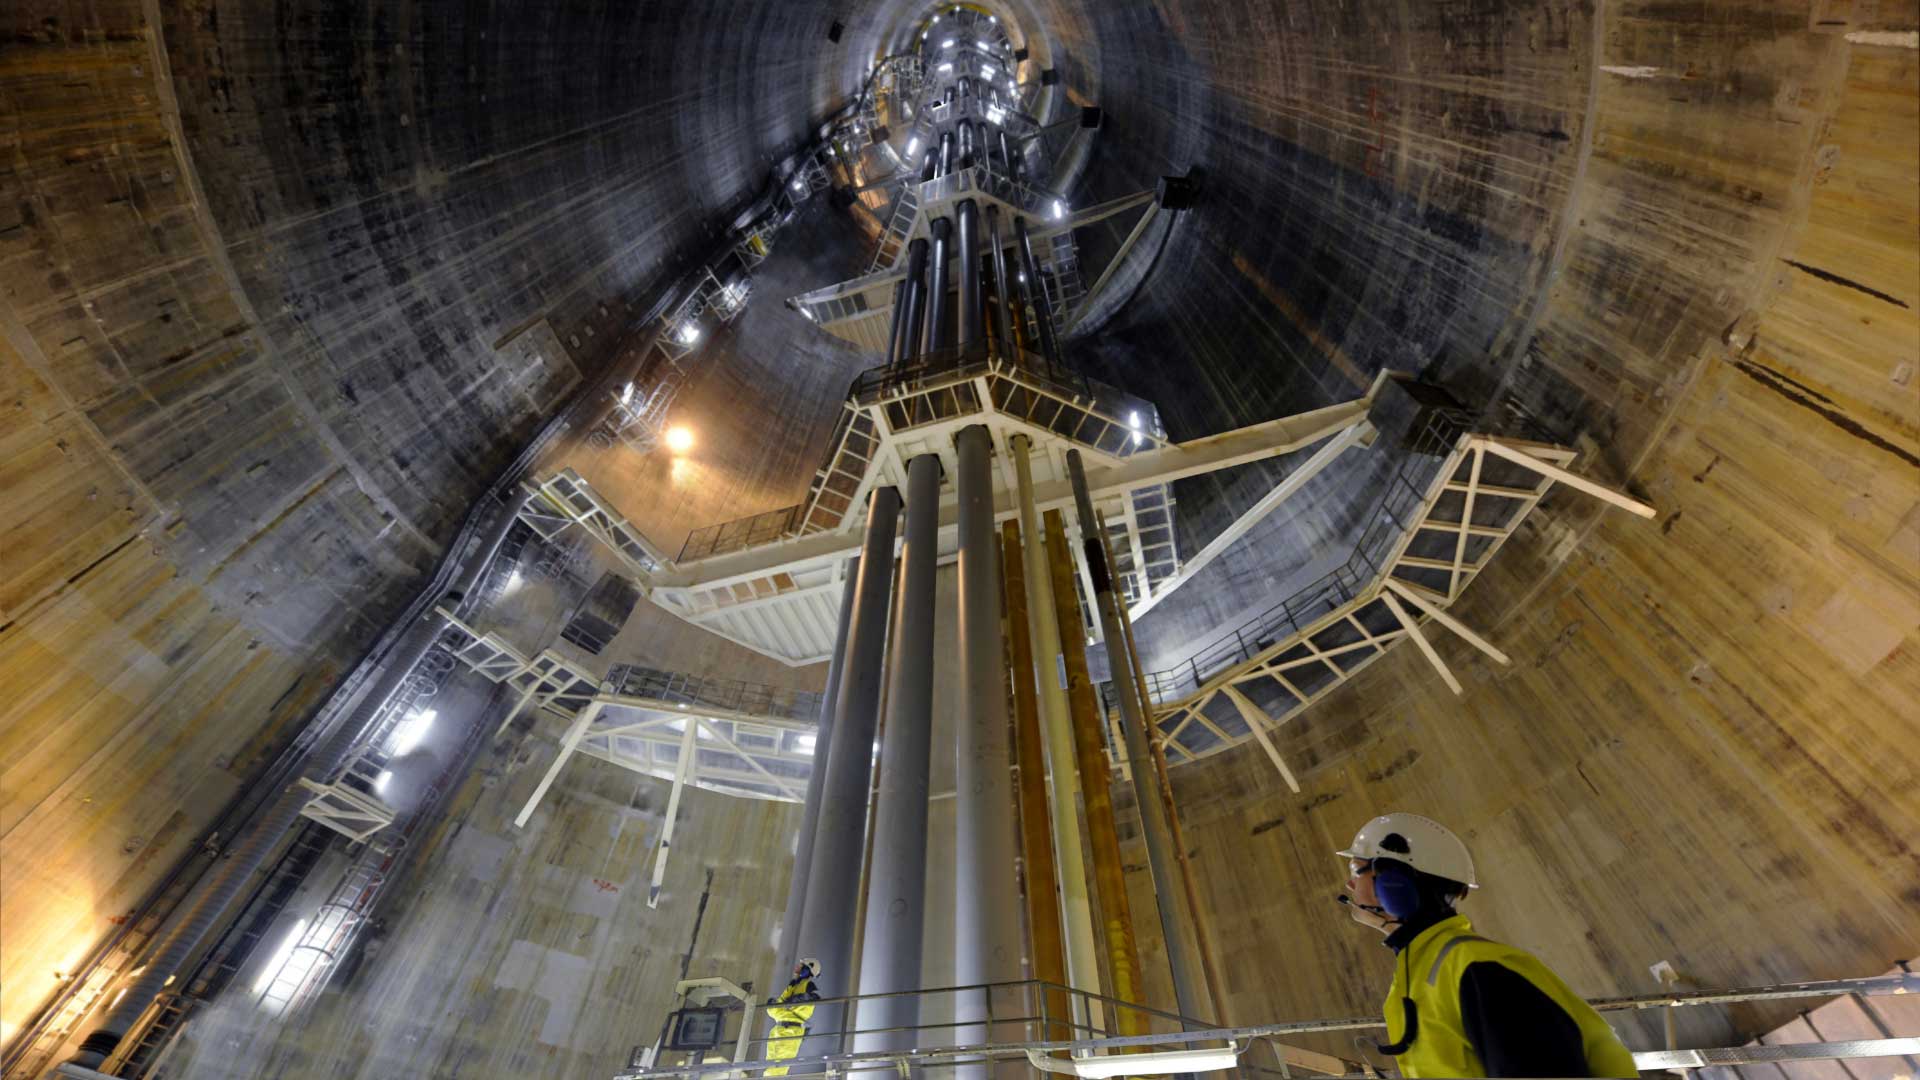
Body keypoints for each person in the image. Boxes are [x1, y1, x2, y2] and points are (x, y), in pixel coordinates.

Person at [1338, 813, 1639, 1078]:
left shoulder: (1478, 968)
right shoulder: (1423, 972)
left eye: (1356, 870)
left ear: (1393, 883)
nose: (1350, 885)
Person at [763, 957, 821, 1076]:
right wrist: (772, 1006)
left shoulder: (807, 985)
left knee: (779, 1068)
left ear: (807, 969)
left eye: (801, 965)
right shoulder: (794, 984)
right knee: (770, 1066)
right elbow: (782, 1006)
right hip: (779, 1028)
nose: (797, 967)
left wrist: (800, 998)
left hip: (791, 1032)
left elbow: (813, 998)